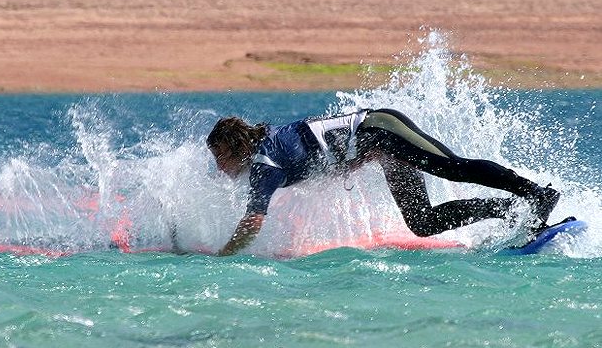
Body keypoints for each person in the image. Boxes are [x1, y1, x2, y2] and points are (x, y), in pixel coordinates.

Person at [207, 108, 560, 256]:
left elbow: (253, 222)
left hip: (381, 129)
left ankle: (535, 194)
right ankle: (511, 210)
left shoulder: (263, 165)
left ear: (236, 148)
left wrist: (223, 256)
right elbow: (316, 149)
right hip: (380, 150)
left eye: (219, 157)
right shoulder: (268, 149)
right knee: (423, 222)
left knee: (452, 167)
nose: (219, 167)